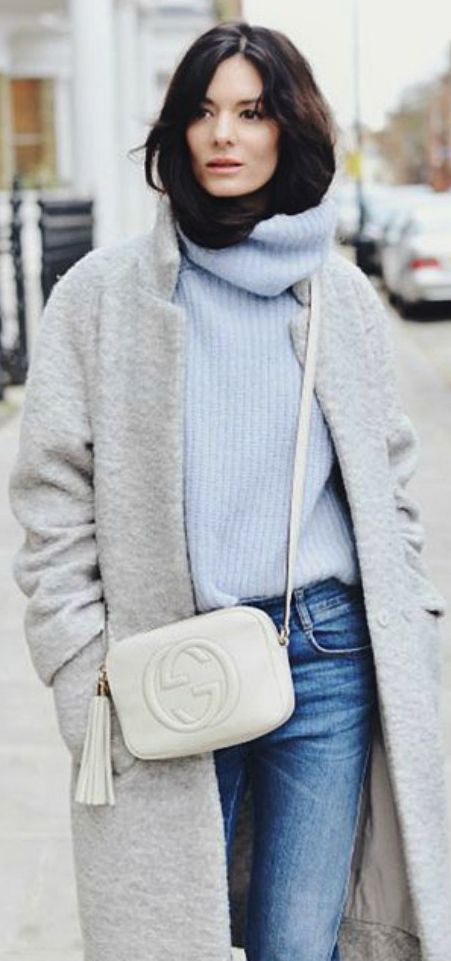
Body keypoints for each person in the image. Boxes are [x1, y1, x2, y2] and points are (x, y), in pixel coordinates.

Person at [9, 19, 451, 961]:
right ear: (176, 129)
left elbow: (389, 480)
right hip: (165, 665)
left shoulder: (341, 298)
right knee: (170, 940)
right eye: (204, 111)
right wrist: (82, 664)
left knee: (298, 945)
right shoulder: (102, 295)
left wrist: (411, 613)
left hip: (325, 655)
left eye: (251, 112)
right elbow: (50, 496)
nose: (224, 134)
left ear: (289, 129)